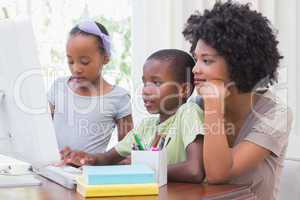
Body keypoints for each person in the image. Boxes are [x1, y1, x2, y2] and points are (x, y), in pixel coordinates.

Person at [183, 1, 293, 199]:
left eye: (206, 61)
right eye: (196, 58)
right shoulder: (196, 106)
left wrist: (214, 108)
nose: (195, 69)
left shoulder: (276, 114)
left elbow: (218, 174)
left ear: (239, 63)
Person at [61, 49, 205, 183]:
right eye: (145, 82)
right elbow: (106, 158)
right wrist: (87, 158)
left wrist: (142, 167)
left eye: (156, 83)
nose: (146, 91)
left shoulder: (188, 112)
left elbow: (194, 171)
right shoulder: (146, 126)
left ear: (184, 89)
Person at [48, 20, 133, 155]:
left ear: (106, 58)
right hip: (53, 170)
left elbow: (127, 152)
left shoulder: (119, 98)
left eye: (84, 62)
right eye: (70, 61)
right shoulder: (58, 87)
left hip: (88, 174)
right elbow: (41, 132)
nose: (76, 68)